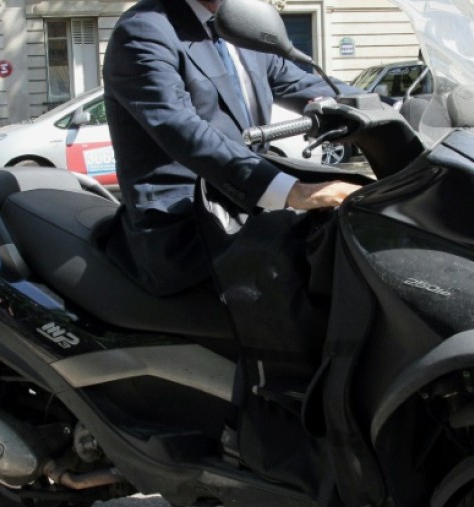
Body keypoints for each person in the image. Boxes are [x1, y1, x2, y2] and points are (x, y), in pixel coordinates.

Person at [102, 0, 361, 298]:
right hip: (185, 226)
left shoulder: (241, 26)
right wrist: (293, 192)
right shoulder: (144, 29)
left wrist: (389, 108)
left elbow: (301, 83)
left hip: (246, 211)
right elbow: (182, 129)